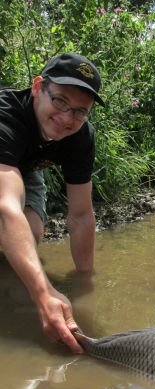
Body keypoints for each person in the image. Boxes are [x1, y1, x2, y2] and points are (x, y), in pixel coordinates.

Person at [0, 52, 105, 353]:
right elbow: (7, 206)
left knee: (30, 234)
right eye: (59, 101)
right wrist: (43, 293)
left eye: (80, 111)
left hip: (26, 170)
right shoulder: (6, 114)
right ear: (37, 87)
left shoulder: (81, 136)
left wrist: (85, 281)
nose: (67, 118)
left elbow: (82, 215)